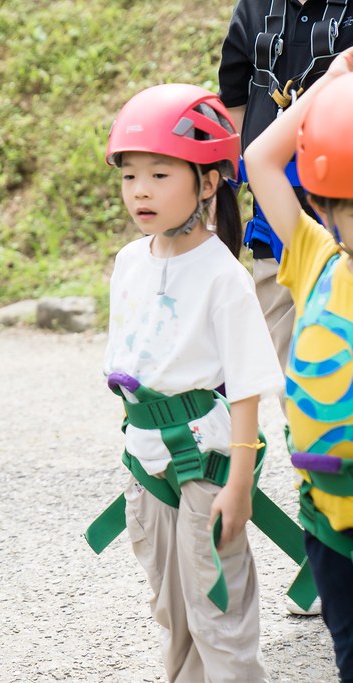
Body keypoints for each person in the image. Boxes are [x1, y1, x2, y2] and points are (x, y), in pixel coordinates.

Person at [100, 84, 285, 682]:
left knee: (217, 614)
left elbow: (248, 388)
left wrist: (238, 484)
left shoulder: (223, 275)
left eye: (159, 174)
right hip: (145, 466)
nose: (141, 191)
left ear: (207, 183)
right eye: (130, 177)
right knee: (172, 612)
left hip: (205, 465)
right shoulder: (130, 263)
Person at [245, 46, 353, 683]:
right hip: (330, 528)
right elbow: (261, 158)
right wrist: (334, 83)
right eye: (346, 203)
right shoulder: (316, 257)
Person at [219, 0, 353, 382]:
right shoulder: (254, 10)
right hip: (277, 221)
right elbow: (235, 104)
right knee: (294, 371)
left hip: (342, 202)